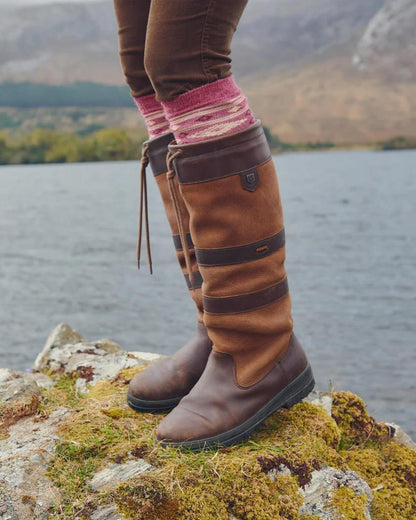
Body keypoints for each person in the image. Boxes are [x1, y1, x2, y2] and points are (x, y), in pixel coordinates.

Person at [112, 0, 315, 450]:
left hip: (257, 347)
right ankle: (219, 329)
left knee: (184, 61)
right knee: (145, 68)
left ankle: (256, 346)